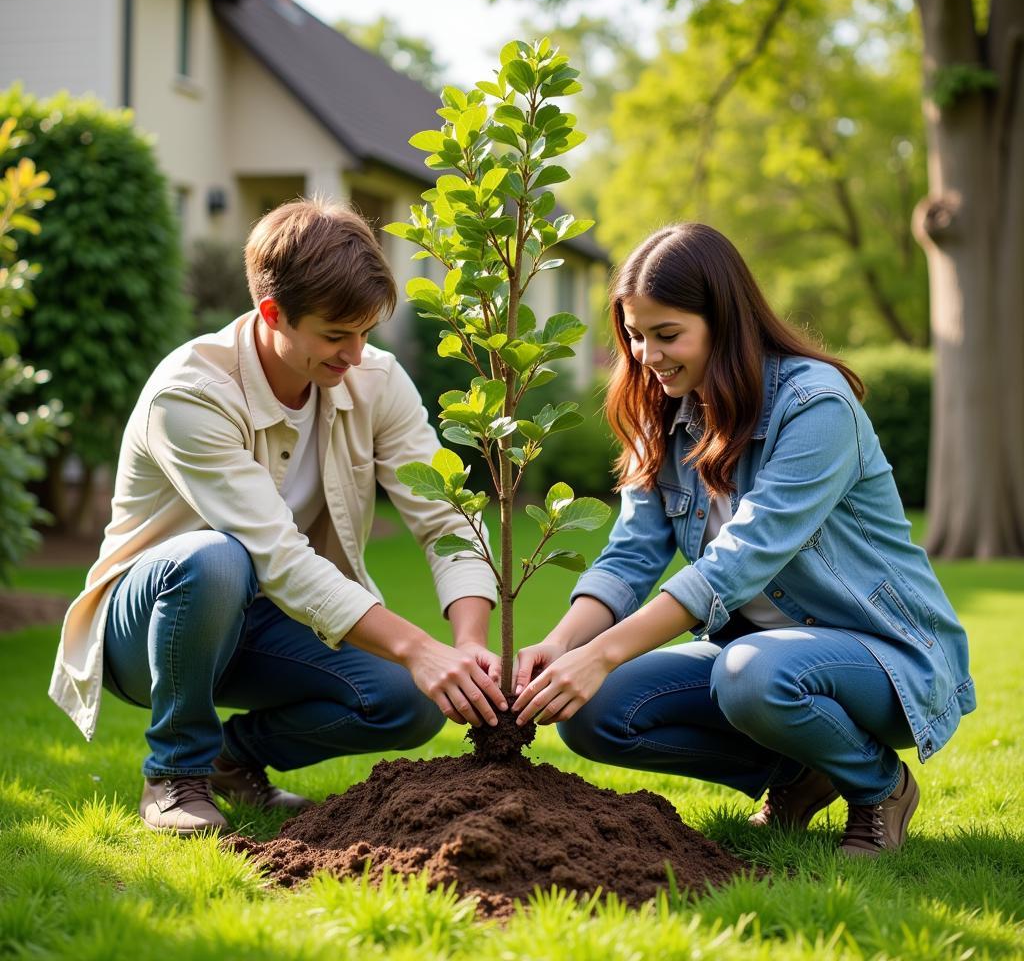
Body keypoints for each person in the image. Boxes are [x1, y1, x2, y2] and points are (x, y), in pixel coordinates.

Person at [512, 222, 974, 857]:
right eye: (636, 336)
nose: (648, 355)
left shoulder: (815, 406)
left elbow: (740, 562)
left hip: (885, 657)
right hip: (759, 657)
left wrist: (605, 652)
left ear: (724, 320)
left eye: (667, 334)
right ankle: (798, 773)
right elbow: (631, 553)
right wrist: (562, 647)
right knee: (596, 714)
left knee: (750, 673)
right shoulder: (665, 414)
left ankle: (878, 786)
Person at [50, 198, 506, 836]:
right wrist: (416, 646)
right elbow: (278, 555)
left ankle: (230, 762)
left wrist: (466, 646)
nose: (355, 354)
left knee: (411, 701)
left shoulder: (376, 379)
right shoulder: (189, 395)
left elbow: (446, 514)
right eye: (335, 335)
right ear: (272, 313)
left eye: (366, 332)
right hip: (152, 623)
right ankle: (174, 775)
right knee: (215, 557)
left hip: (272, 621)